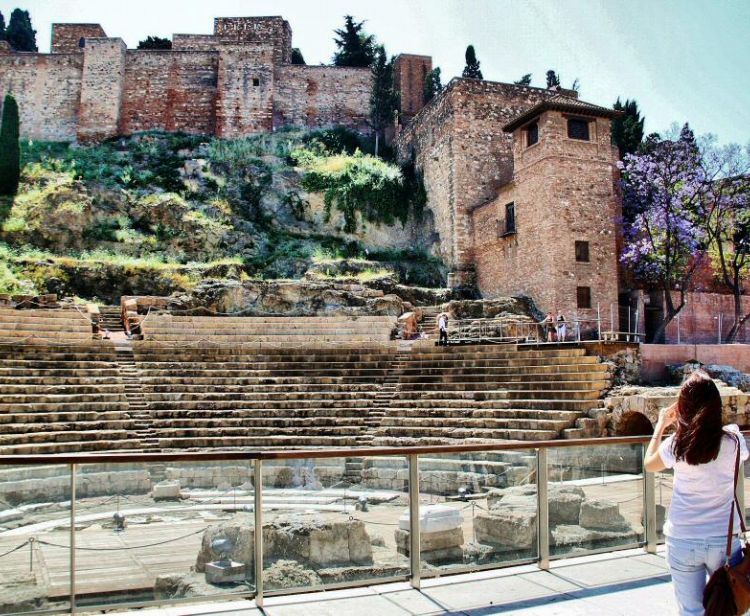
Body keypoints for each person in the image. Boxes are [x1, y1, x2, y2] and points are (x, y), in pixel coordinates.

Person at [644, 370, 748, 616]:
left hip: (683, 538)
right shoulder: (733, 441)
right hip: (723, 540)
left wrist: (661, 425)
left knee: (691, 611)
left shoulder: (677, 444)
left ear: (682, 407)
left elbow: (649, 465)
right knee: (727, 607)